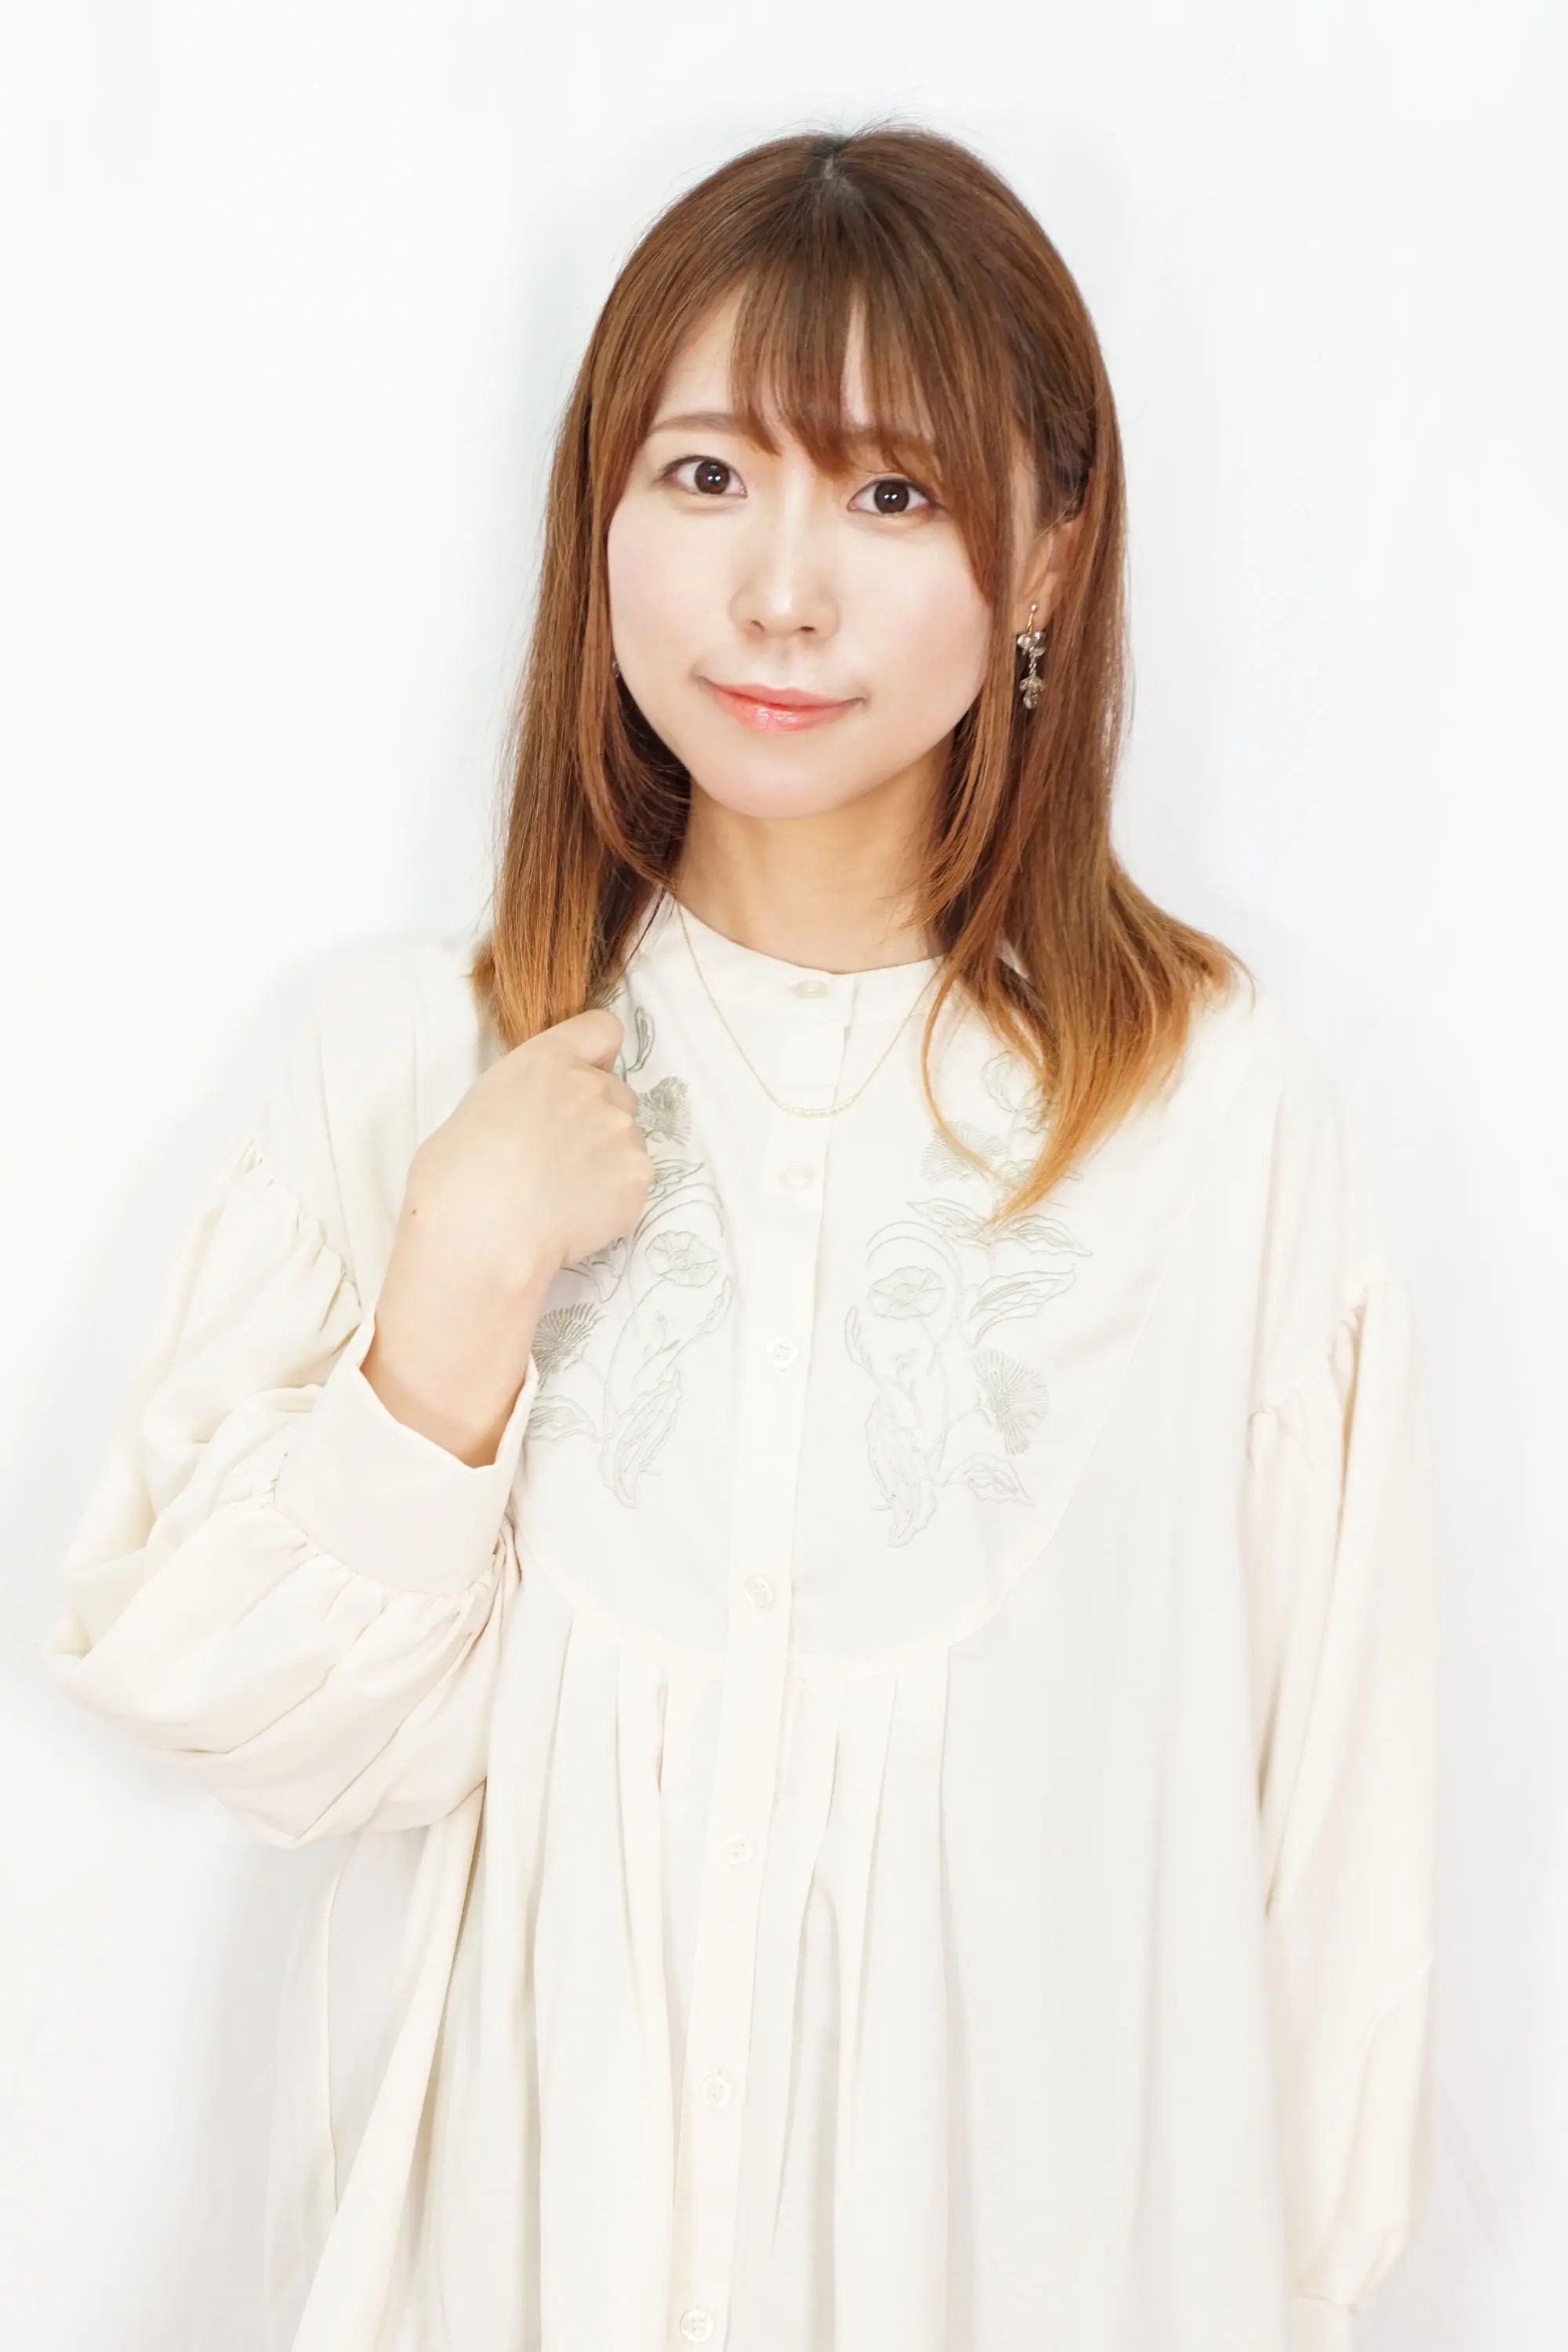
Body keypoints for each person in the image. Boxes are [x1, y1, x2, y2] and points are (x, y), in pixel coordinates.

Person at [41, 121, 1437, 2352]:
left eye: (891, 495)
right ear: (596, 514)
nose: (780, 593)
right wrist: (455, 1298)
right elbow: (262, 1735)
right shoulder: (418, 1063)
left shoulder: (1205, 1111)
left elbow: (1334, 1854)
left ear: (1048, 557)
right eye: (705, 477)